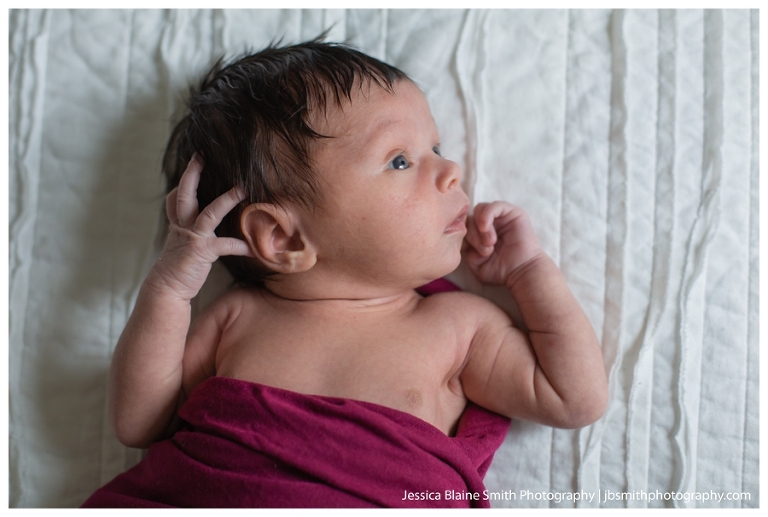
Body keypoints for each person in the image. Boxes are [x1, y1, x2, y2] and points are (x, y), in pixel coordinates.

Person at [84, 39, 608, 508]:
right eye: (400, 161)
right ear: (284, 238)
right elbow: (139, 422)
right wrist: (171, 287)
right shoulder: (235, 318)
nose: (451, 172)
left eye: (437, 149)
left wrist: (528, 271)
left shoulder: (459, 326)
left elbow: (574, 398)